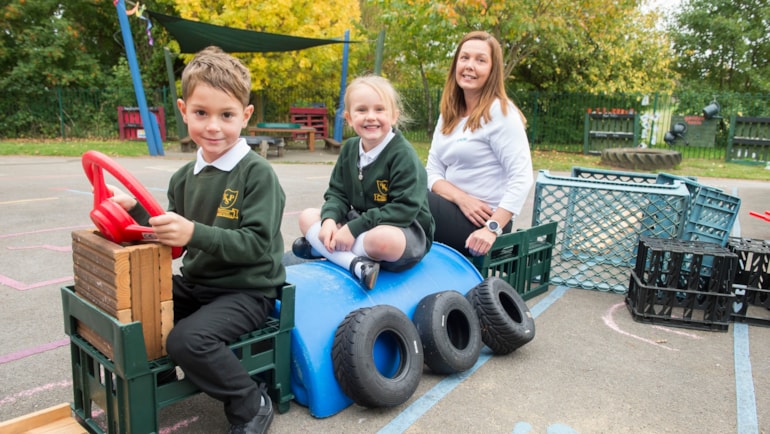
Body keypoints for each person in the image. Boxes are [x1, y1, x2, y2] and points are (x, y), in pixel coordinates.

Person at [107, 46, 282, 434]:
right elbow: (175, 243)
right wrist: (136, 211)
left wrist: (193, 232)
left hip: (246, 290)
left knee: (187, 341)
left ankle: (250, 401)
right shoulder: (184, 178)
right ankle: (160, 376)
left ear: (246, 116)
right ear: (184, 111)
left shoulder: (257, 174)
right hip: (199, 283)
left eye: (227, 115)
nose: (213, 127)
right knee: (138, 302)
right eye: (201, 113)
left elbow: (254, 244)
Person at [292, 74, 434, 290]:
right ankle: (354, 263)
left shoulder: (403, 155)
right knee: (307, 217)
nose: (371, 117)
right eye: (361, 110)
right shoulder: (350, 149)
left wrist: (353, 229)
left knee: (383, 240)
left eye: (379, 110)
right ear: (349, 118)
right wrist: (330, 219)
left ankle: (323, 249)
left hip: (402, 230)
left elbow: (403, 209)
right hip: (360, 222)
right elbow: (337, 193)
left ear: (394, 116)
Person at [426, 31, 534, 257]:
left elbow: (522, 177)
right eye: (464, 58)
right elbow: (433, 171)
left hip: (486, 223)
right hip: (455, 209)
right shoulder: (449, 114)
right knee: (404, 183)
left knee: (410, 196)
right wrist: (461, 198)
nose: (469, 66)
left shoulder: (500, 113)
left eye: (480, 60)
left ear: (492, 71)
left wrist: (492, 228)